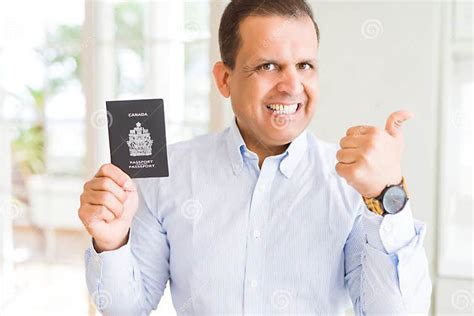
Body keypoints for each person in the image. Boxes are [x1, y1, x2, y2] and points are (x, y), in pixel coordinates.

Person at [79, 0, 432, 314]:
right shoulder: (166, 177)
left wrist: (387, 197)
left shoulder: (357, 187)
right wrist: (111, 242)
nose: (292, 85)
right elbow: (127, 309)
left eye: (305, 65)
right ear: (224, 79)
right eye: (268, 66)